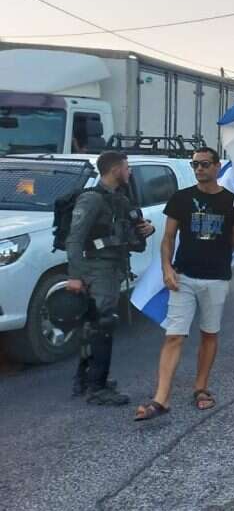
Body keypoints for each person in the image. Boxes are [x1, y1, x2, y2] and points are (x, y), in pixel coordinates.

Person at [135, 147, 234, 421]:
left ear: (217, 166)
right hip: (184, 276)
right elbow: (168, 238)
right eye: (195, 164)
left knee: (209, 334)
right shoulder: (182, 198)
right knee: (174, 335)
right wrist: (166, 269)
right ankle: (161, 399)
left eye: (205, 164)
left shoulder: (232, 202)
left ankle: (201, 388)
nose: (199, 169)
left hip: (216, 277)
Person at [66, 151, 155, 405]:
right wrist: (76, 276)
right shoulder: (91, 199)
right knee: (102, 324)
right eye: (127, 168)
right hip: (98, 269)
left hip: (112, 268)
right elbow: (75, 238)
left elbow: (126, 232)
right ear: (115, 170)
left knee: (93, 324)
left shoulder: (118, 198)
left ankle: (85, 380)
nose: (129, 173)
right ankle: (97, 387)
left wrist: (148, 230)